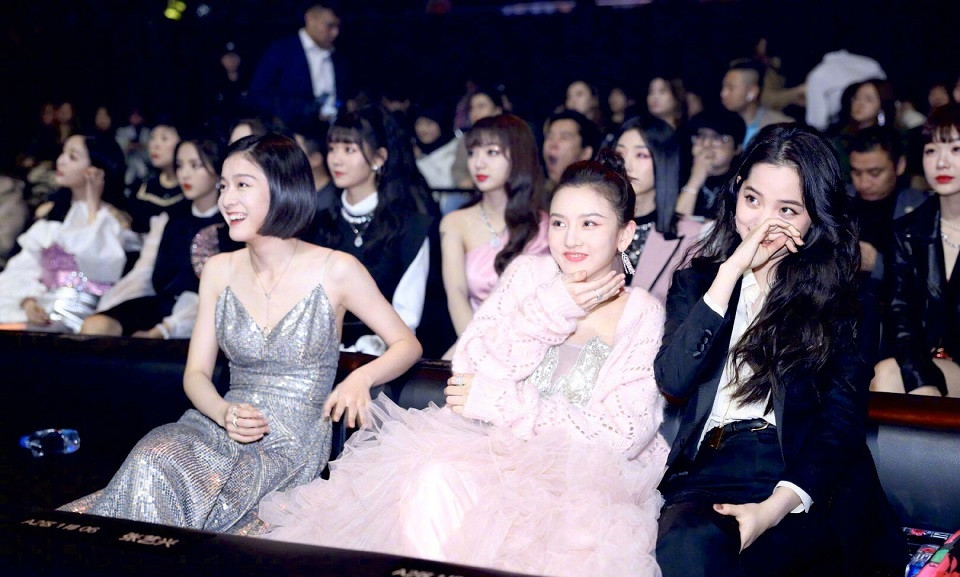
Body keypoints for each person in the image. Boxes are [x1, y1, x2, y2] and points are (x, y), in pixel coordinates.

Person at [259, 150, 669, 577]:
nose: (570, 240)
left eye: (590, 224)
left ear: (624, 234)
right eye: (560, 223)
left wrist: (501, 402)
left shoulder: (641, 313)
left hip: (579, 484)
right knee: (431, 479)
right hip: (490, 451)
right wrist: (552, 308)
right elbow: (471, 368)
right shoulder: (529, 275)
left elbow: (622, 434)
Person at [59, 133, 422, 534]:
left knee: (193, 481)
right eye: (223, 186)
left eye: (242, 185)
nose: (227, 200)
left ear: (282, 188)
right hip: (219, 423)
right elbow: (196, 373)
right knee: (154, 455)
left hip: (292, 443)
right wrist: (222, 413)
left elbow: (406, 344)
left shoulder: (336, 269)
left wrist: (360, 378)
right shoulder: (218, 270)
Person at [655, 123, 901, 577]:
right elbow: (673, 379)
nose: (763, 222)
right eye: (752, 199)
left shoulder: (846, 301)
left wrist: (772, 509)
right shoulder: (699, 284)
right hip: (711, 466)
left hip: (802, 475)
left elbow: (840, 423)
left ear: (815, 218)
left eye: (787, 209)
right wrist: (729, 272)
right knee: (687, 545)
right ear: (736, 193)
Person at [306, 106, 441, 356]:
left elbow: (407, 316)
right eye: (332, 148)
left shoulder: (411, 228)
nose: (336, 159)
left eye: (349, 150)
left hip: (387, 356)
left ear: (379, 158)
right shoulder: (318, 224)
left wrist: (371, 349)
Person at [80, 136, 241, 338]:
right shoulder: (169, 219)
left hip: (203, 314)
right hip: (161, 304)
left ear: (218, 172)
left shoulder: (231, 227)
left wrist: (165, 329)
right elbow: (144, 274)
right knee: (97, 326)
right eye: (180, 166)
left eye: (195, 165)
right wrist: (110, 303)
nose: (185, 174)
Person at [440, 114, 550, 358]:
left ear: (518, 156)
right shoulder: (455, 222)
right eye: (472, 153)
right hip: (474, 344)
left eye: (492, 152)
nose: (478, 163)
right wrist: (477, 347)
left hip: (533, 347)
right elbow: (456, 293)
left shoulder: (546, 227)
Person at [871, 103, 960, 398]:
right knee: (886, 374)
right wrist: (923, 383)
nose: (942, 163)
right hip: (933, 364)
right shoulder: (906, 231)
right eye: (932, 151)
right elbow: (900, 318)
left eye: (956, 149)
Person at [0, 134, 128, 332]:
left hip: (89, 320)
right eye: (62, 153)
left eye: (73, 157)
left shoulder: (113, 219)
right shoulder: (50, 215)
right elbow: (22, 268)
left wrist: (93, 206)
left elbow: (99, 262)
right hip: (46, 313)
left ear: (96, 169)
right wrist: (28, 302)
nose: (61, 161)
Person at [615, 115, 704, 304]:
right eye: (620, 153)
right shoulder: (594, 224)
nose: (626, 164)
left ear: (663, 161)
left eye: (641, 155)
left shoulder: (692, 237)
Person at [247, 3, 349, 127]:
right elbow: (258, 95)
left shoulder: (339, 56)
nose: (335, 33)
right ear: (310, 18)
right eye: (330, 26)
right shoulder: (281, 51)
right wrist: (306, 111)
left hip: (333, 133)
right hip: (290, 131)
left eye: (338, 26)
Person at [676, 109, 746, 220]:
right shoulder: (677, 171)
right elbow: (674, 225)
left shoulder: (741, 184)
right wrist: (694, 182)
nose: (706, 144)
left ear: (737, 148)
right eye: (701, 136)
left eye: (717, 138)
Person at [720, 59, 792, 149]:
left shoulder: (781, 126)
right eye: (723, 87)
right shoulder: (718, 123)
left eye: (731, 88)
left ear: (752, 92)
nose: (723, 94)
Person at [542, 109, 602, 191]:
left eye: (564, 137)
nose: (553, 143)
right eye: (549, 137)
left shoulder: (592, 194)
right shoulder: (537, 192)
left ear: (585, 153)